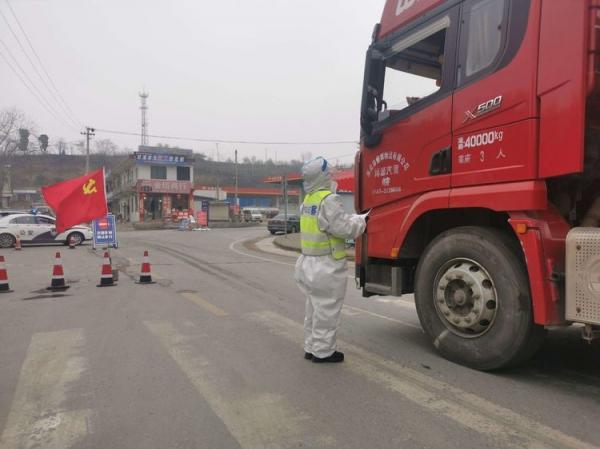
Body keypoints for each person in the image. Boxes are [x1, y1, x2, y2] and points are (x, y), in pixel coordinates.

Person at [295, 157, 367, 363]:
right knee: (327, 310)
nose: (331, 176)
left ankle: (311, 347)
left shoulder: (308, 200)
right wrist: (362, 222)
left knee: (314, 308)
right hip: (326, 265)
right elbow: (344, 229)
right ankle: (323, 352)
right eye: (329, 173)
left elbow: (329, 224)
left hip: (307, 263)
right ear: (322, 176)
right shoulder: (328, 200)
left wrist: (352, 219)